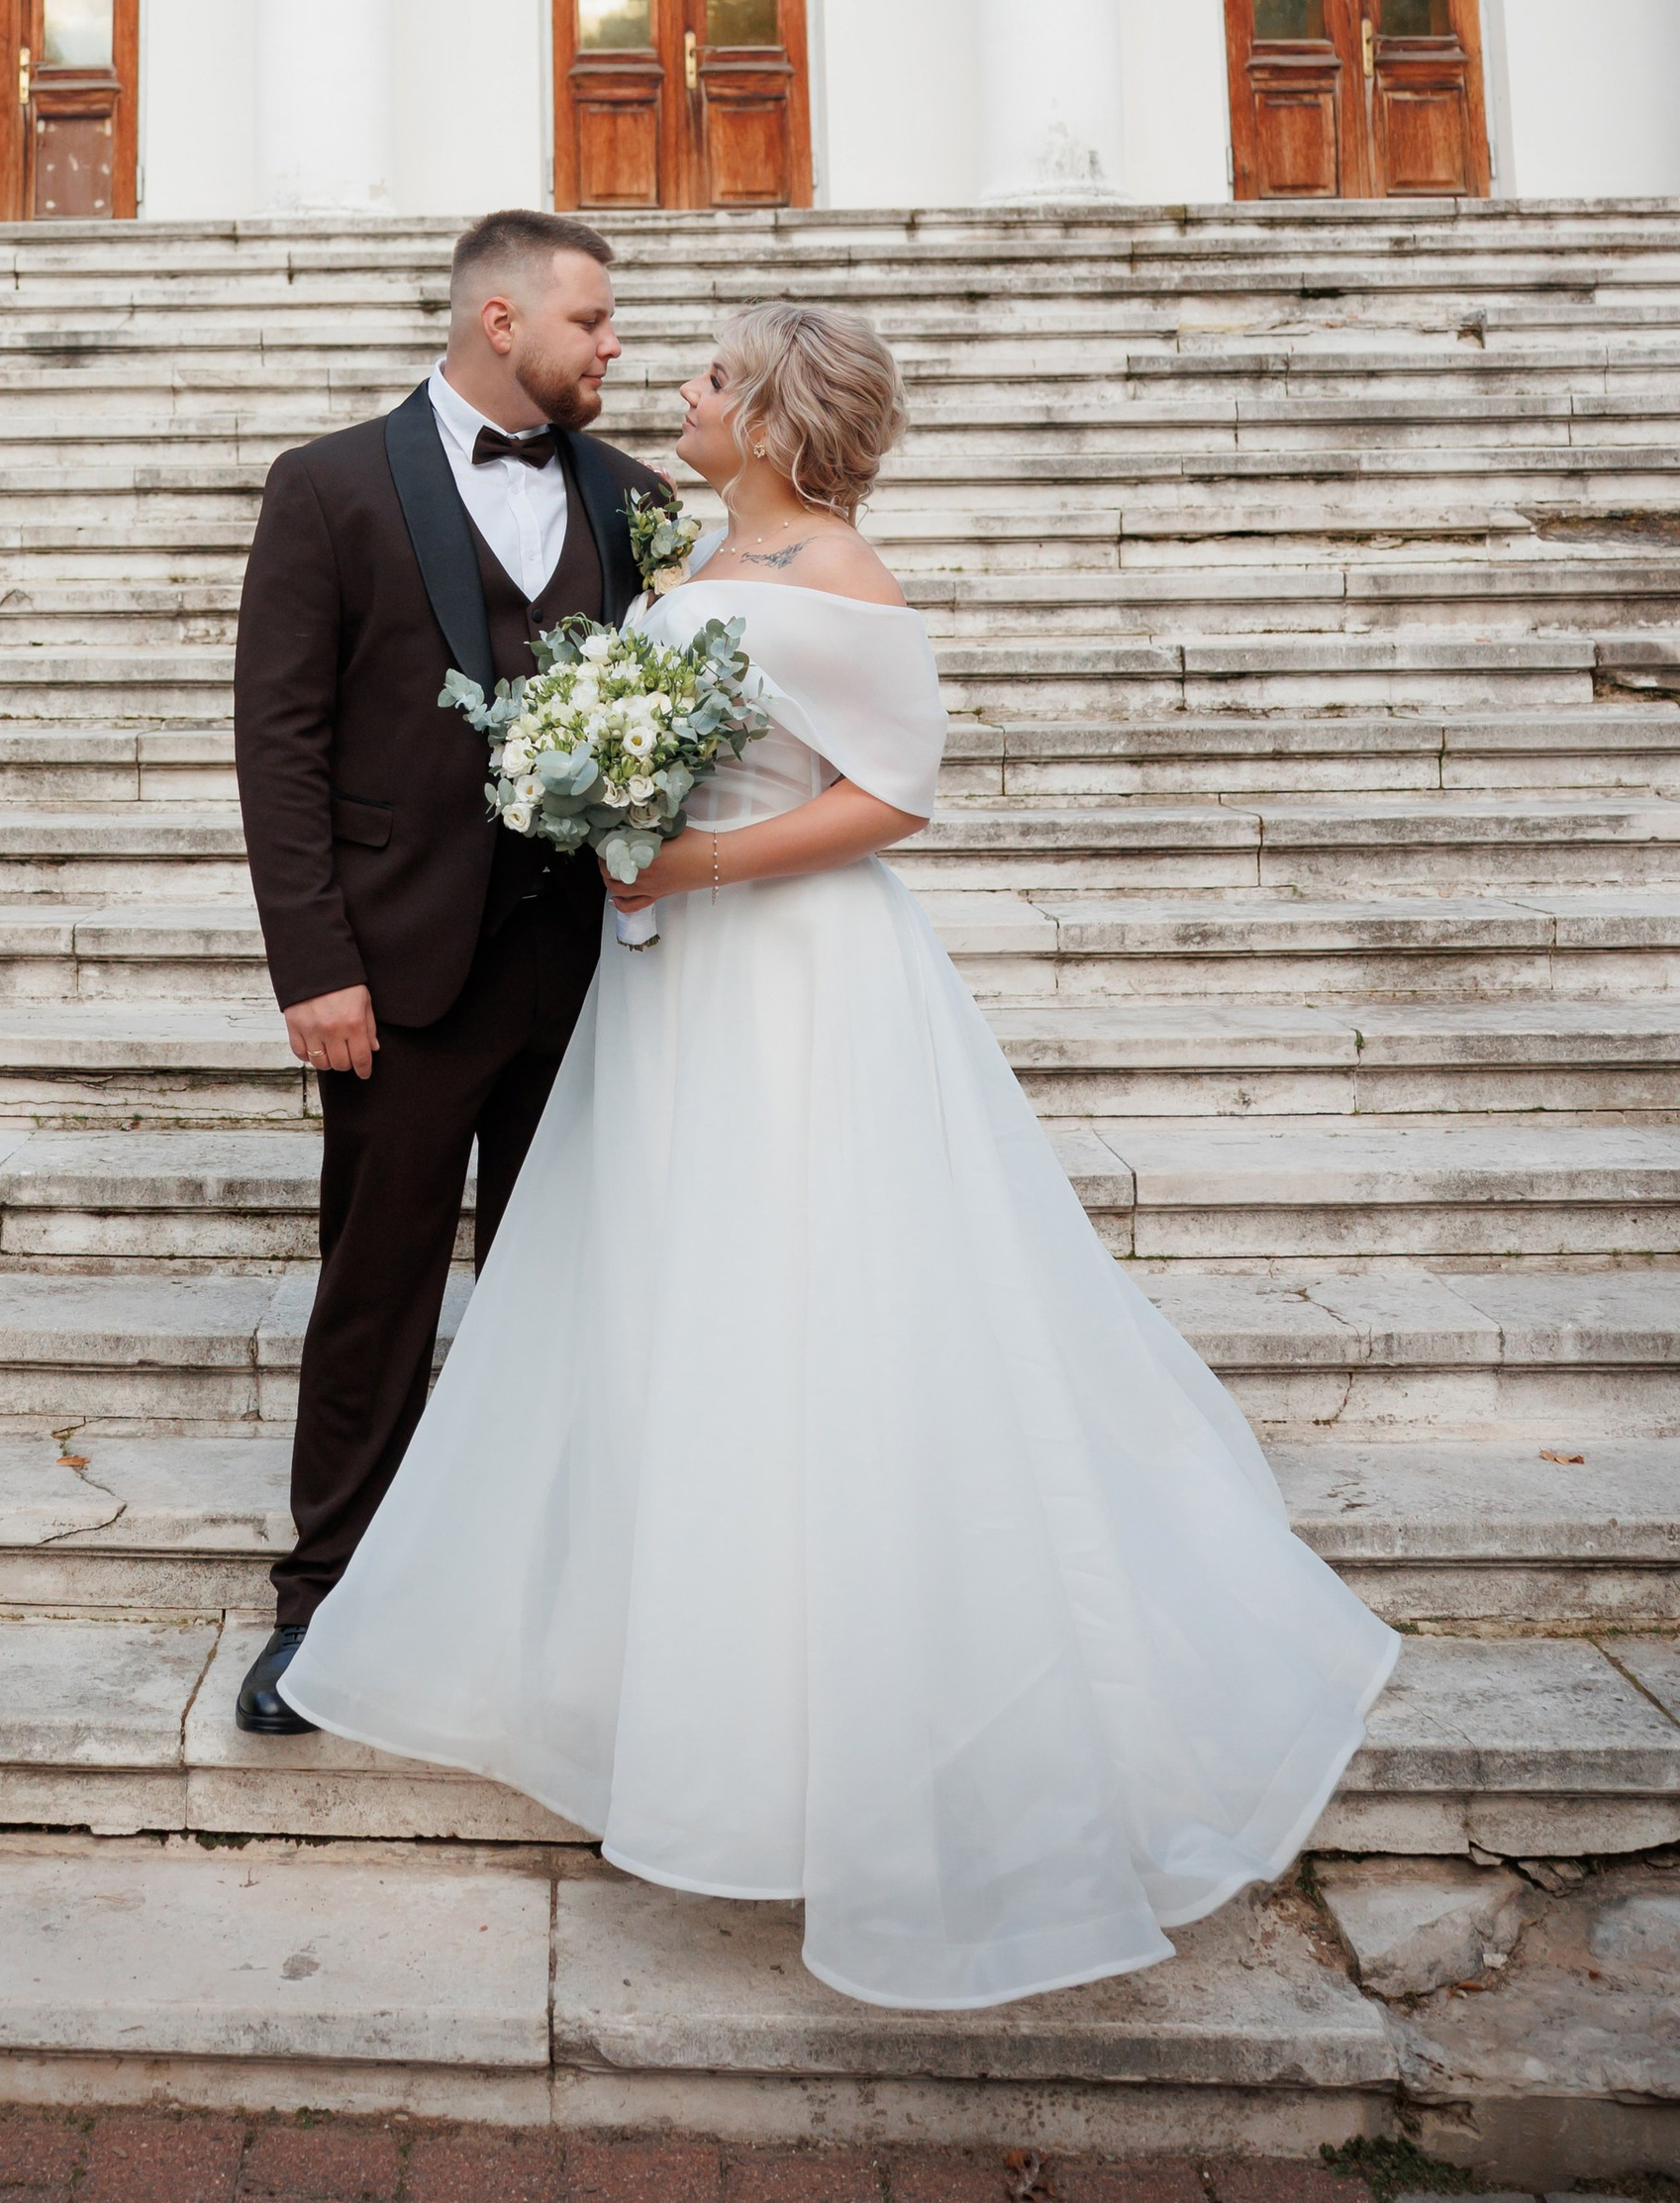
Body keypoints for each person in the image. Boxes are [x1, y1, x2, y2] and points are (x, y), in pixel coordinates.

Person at [278, 299, 1400, 2011]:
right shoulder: (699, 541)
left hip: (791, 977)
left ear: (781, 417)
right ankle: (667, 1680)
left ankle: (824, 1724)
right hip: (669, 993)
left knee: (804, 1307)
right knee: (671, 1307)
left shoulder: (849, 584)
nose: (680, 392)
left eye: (714, 378)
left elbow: (894, 794)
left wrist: (690, 867)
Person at [229, 208, 676, 1734]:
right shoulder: (329, 487)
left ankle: (549, 1596)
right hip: (398, 978)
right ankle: (325, 1605)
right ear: (502, 320)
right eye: (593, 324)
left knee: (566, 1291)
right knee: (376, 1289)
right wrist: (316, 964)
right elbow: (278, 746)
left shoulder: (636, 500)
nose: (614, 348)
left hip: (585, 974)